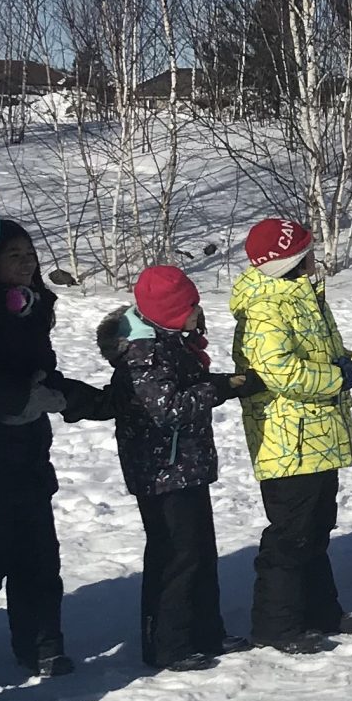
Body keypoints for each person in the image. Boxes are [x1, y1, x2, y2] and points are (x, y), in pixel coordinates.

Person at [230, 218, 352, 654]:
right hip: (288, 441)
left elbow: (331, 357)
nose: (314, 258)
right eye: (306, 251)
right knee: (291, 535)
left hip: (317, 437)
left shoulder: (303, 297)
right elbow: (280, 371)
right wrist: (337, 377)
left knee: (316, 529)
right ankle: (276, 625)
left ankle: (320, 611)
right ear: (288, 259)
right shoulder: (265, 308)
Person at [0, 219, 105, 681]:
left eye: (30, 254)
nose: (26, 263)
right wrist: (29, 398)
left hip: (28, 449)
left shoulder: (34, 306)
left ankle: (43, 645)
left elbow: (44, 375)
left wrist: (89, 400)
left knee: (39, 554)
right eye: (14, 255)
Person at [96, 265, 255, 672]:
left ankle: (206, 631)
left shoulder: (169, 343)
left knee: (200, 551)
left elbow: (184, 387)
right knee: (175, 556)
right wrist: (217, 389)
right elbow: (168, 409)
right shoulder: (144, 351)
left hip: (184, 465)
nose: (197, 311)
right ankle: (168, 643)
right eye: (190, 305)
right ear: (167, 311)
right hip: (161, 471)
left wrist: (224, 382)